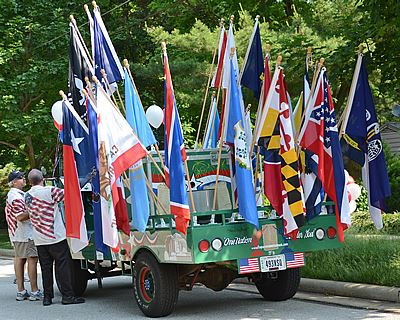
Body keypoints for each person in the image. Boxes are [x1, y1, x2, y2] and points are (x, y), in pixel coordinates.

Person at [24, 169, 85, 306]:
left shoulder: (27, 196)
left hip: (39, 239)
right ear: (43, 179)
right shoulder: (50, 191)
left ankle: (47, 297)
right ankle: (67, 296)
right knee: (63, 267)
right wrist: (85, 179)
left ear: (29, 182)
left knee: (46, 269)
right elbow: (70, 194)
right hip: (56, 236)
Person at [5, 170, 42, 301]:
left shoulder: (16, 194)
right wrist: (36, 210)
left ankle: (21, 291)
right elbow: (20, 216)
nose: (24, 179)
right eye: (20, 178)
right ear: (14, 182)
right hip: (25, 234)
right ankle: (34, 291)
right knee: (32, 259)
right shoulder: (15, 197)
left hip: (19, 234)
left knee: (20, 259)